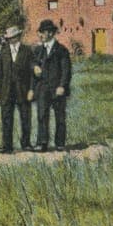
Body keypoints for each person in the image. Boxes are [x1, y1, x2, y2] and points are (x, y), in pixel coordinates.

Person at [31, 19, 72, 152]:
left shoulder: (61, 50)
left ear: (49, 33)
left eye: (41, 33)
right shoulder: (38, 50)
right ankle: (42, 143)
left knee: (60, 116)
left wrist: (62, 86)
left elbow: (66, 70)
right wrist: (35, 67)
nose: (39, 35)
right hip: (43, 88)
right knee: (42, 115)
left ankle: (60, 143)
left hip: (57, 88)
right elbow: (32, 63)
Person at [0, 26, 34, 153]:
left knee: (25, 117)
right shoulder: (3, 52)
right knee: (6, 117)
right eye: (9, 38)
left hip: (23, 90)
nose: (11, 40)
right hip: (7, 91)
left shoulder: (27, 51)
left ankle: (26, 144)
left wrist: (31, 90)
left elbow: (32, 73)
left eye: (13, 37)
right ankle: (7, 146)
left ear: (18, 37)